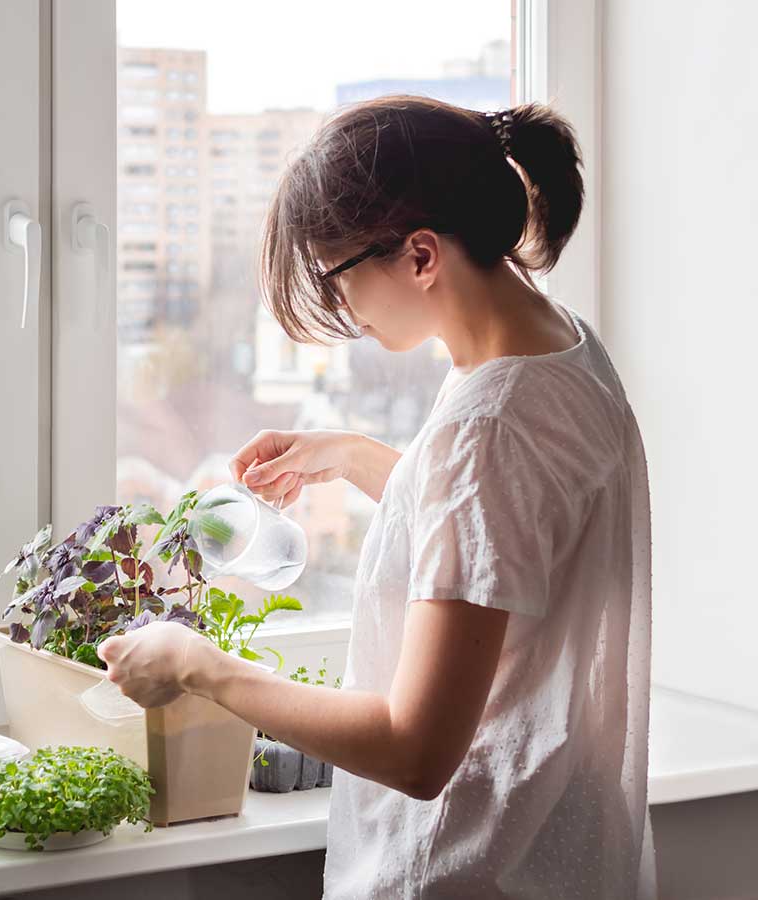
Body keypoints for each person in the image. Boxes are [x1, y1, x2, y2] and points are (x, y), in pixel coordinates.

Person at [96, 96, 655, 899]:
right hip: (555, 852)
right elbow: (514, 535)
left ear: (420, 256)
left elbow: (416, 749)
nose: (343, 309)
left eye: (337, 275)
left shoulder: (489, 427)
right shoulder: (558, 346)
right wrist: (353, 458)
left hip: (465, 864)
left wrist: (200, 667)